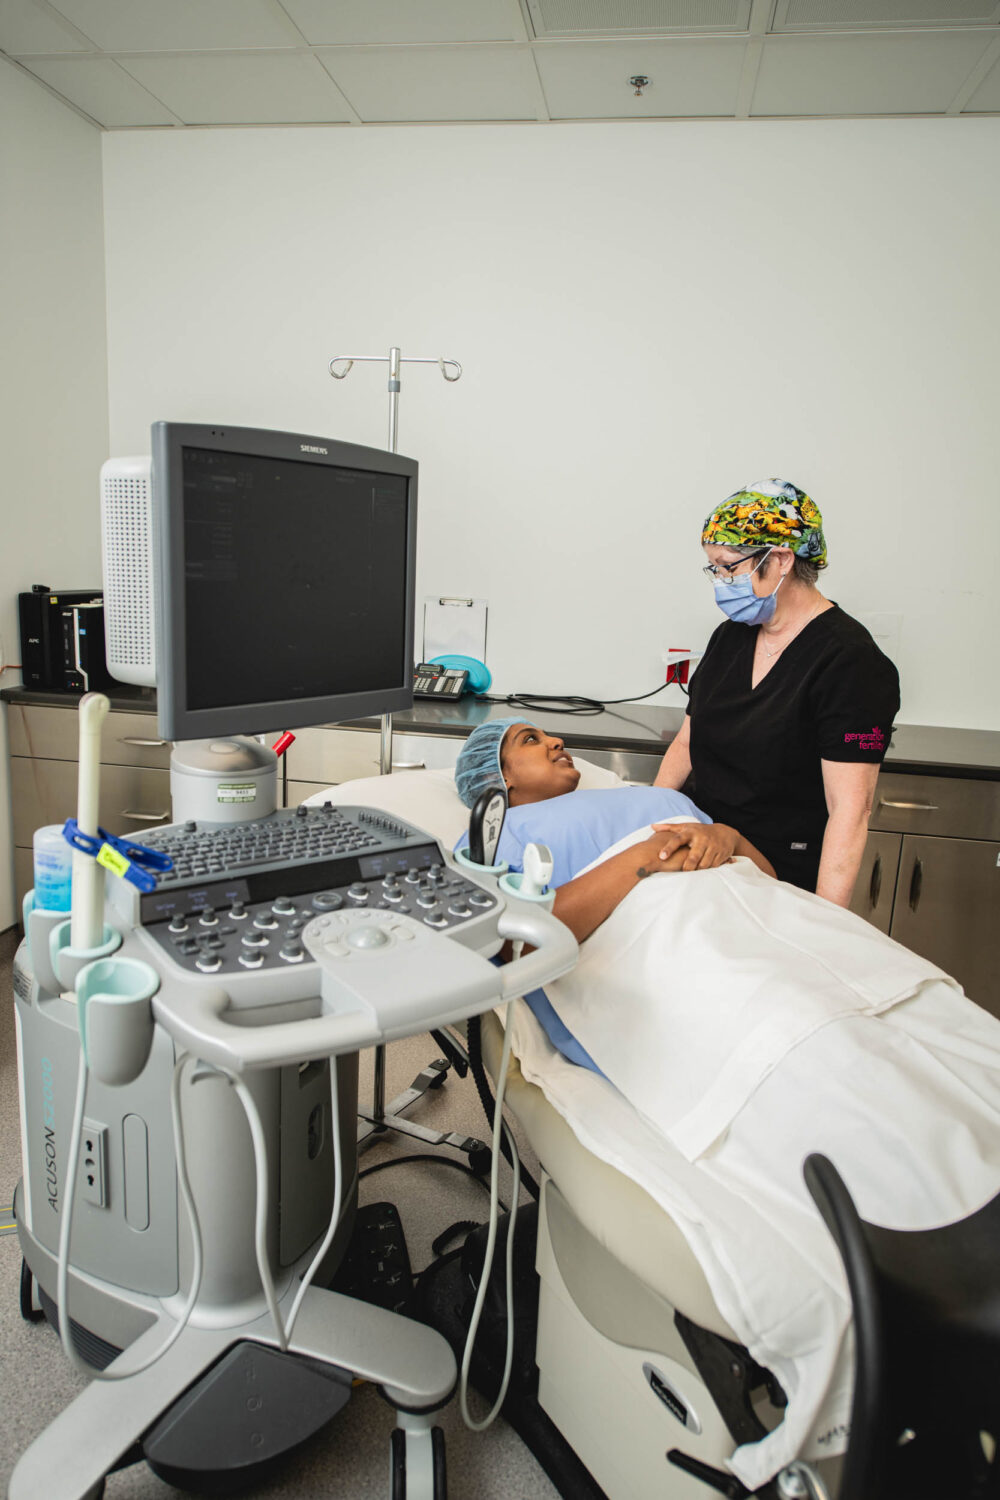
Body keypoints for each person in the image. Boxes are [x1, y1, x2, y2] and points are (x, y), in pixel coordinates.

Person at [654, 479, 900, 905]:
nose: (720, 581)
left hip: (776, 874)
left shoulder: (851, 663)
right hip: (700, 849)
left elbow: (850, 811)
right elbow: (688, 741)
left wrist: (826, 921)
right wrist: (650, 818)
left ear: (781, 559)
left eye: (729, 567)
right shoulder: (731, 637)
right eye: (714, 568)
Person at [454, 715, 774, 945]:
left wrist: (729, 836)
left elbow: (770, 881)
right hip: (684, 935)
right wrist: (650, 854)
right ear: (498, 777)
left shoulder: (641, 796)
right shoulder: (497, 831)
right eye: (530, 740)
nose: (556, 741)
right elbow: (509, 941)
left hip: (763, 916)